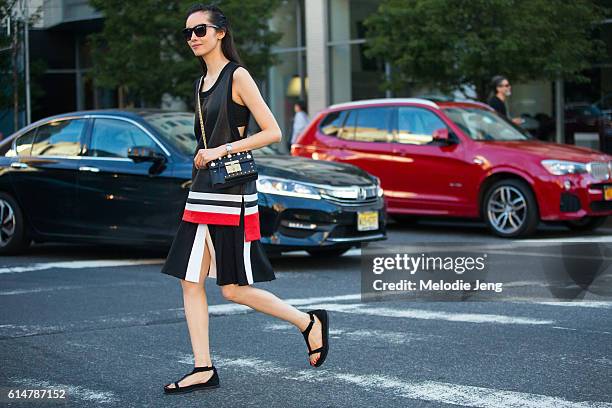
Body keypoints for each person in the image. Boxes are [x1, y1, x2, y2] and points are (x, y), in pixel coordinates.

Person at [161, 3, 330, 394]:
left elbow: (271, 131)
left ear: (221, 32)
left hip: (229, 194)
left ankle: (308, 322)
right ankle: (203, 367)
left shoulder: (237, 76)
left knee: (233, 289)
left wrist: (220, 151)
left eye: (199, 30)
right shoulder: (200, 82)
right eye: (187, 33)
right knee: (189, 280)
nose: (192, 38)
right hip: (203, 190)